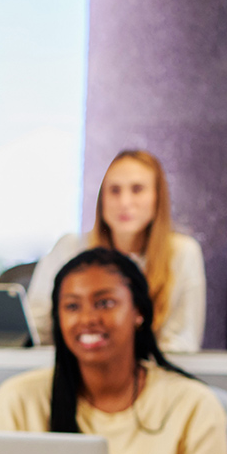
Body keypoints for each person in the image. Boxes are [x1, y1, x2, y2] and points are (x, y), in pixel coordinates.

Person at [0, 248, 227, 454]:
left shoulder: (194, 405)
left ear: (138, 311)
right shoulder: (16, 400)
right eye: (72, 306)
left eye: (104, 303)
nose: (88, 318)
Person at [24, 150, 206, 354]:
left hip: (151, 377)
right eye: (115, 190)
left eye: (137, 189)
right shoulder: (70, 247)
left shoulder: (182, 252)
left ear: (158, 197)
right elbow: (36, 330)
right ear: (102, 199)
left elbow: (182, 343)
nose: (124, 202)